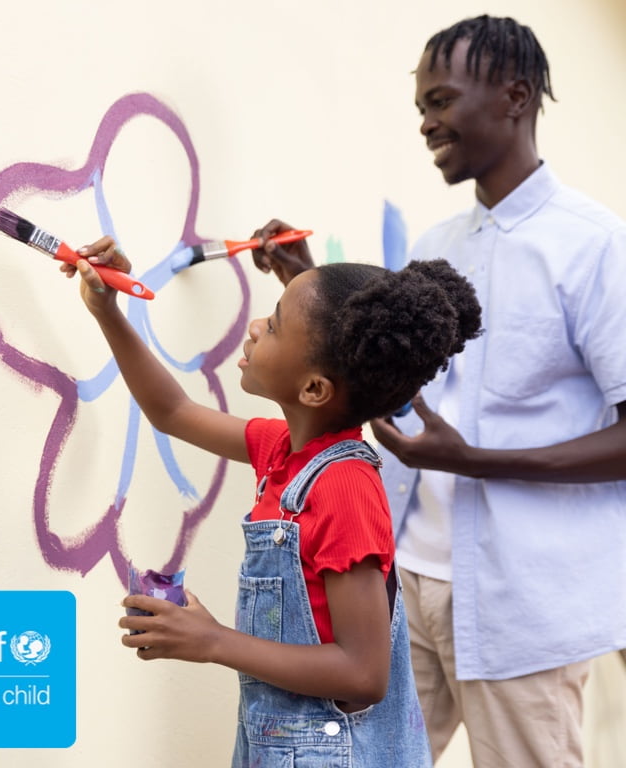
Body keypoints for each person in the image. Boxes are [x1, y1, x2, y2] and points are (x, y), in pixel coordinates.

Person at [251, 14, 626, 768]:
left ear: (515, 97)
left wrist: (476, 461)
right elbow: (391, 378)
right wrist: (306, 283)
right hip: (411, 584)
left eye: (442, 101)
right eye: (422, 105)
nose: (426, 123)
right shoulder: (439, 246)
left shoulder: (594, 247)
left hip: (525, 607)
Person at [60, 239, 481, 767]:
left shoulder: (344, 487)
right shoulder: (283, 449)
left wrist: (212, 640)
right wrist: (107, 309)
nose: (257, 326)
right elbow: (172, 411)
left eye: (277, 325)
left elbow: (364, 674)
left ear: (313, 389)